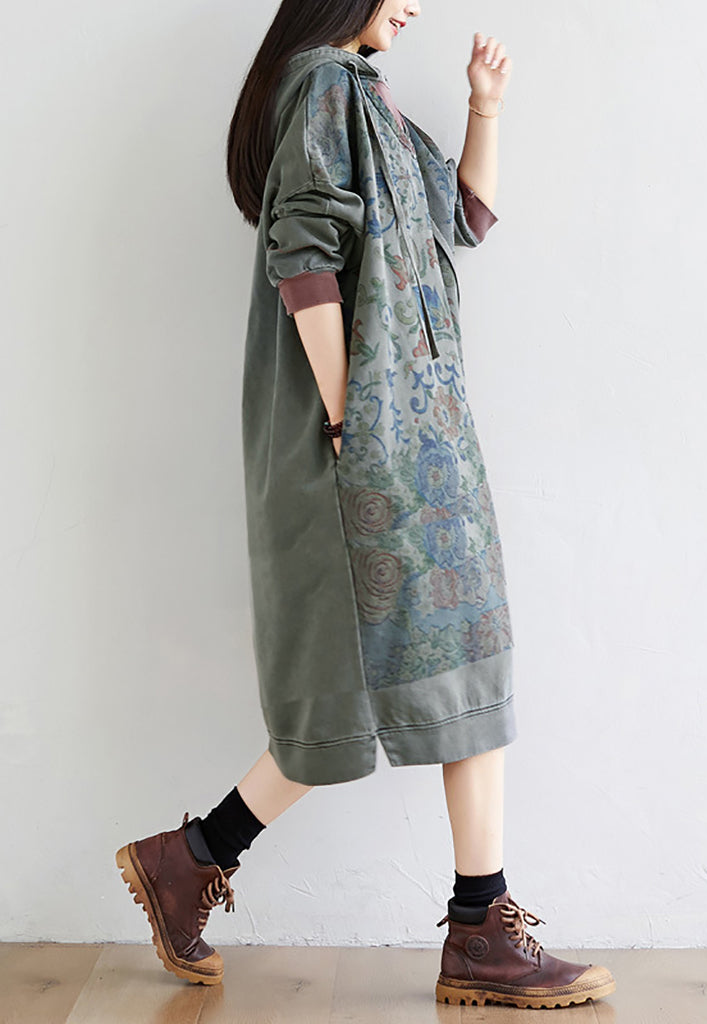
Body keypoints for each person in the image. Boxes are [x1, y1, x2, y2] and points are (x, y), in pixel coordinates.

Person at [115, 0, 616, 1009]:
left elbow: (464, 220)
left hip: (416, 433)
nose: (415, 4)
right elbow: (302, 256)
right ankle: (467, 924)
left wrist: (484, 107)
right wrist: (350, 420)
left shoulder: (365, 99)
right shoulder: (324, 87)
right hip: (371, 437)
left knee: (452, 658)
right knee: (372, 679)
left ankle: (204, 862)